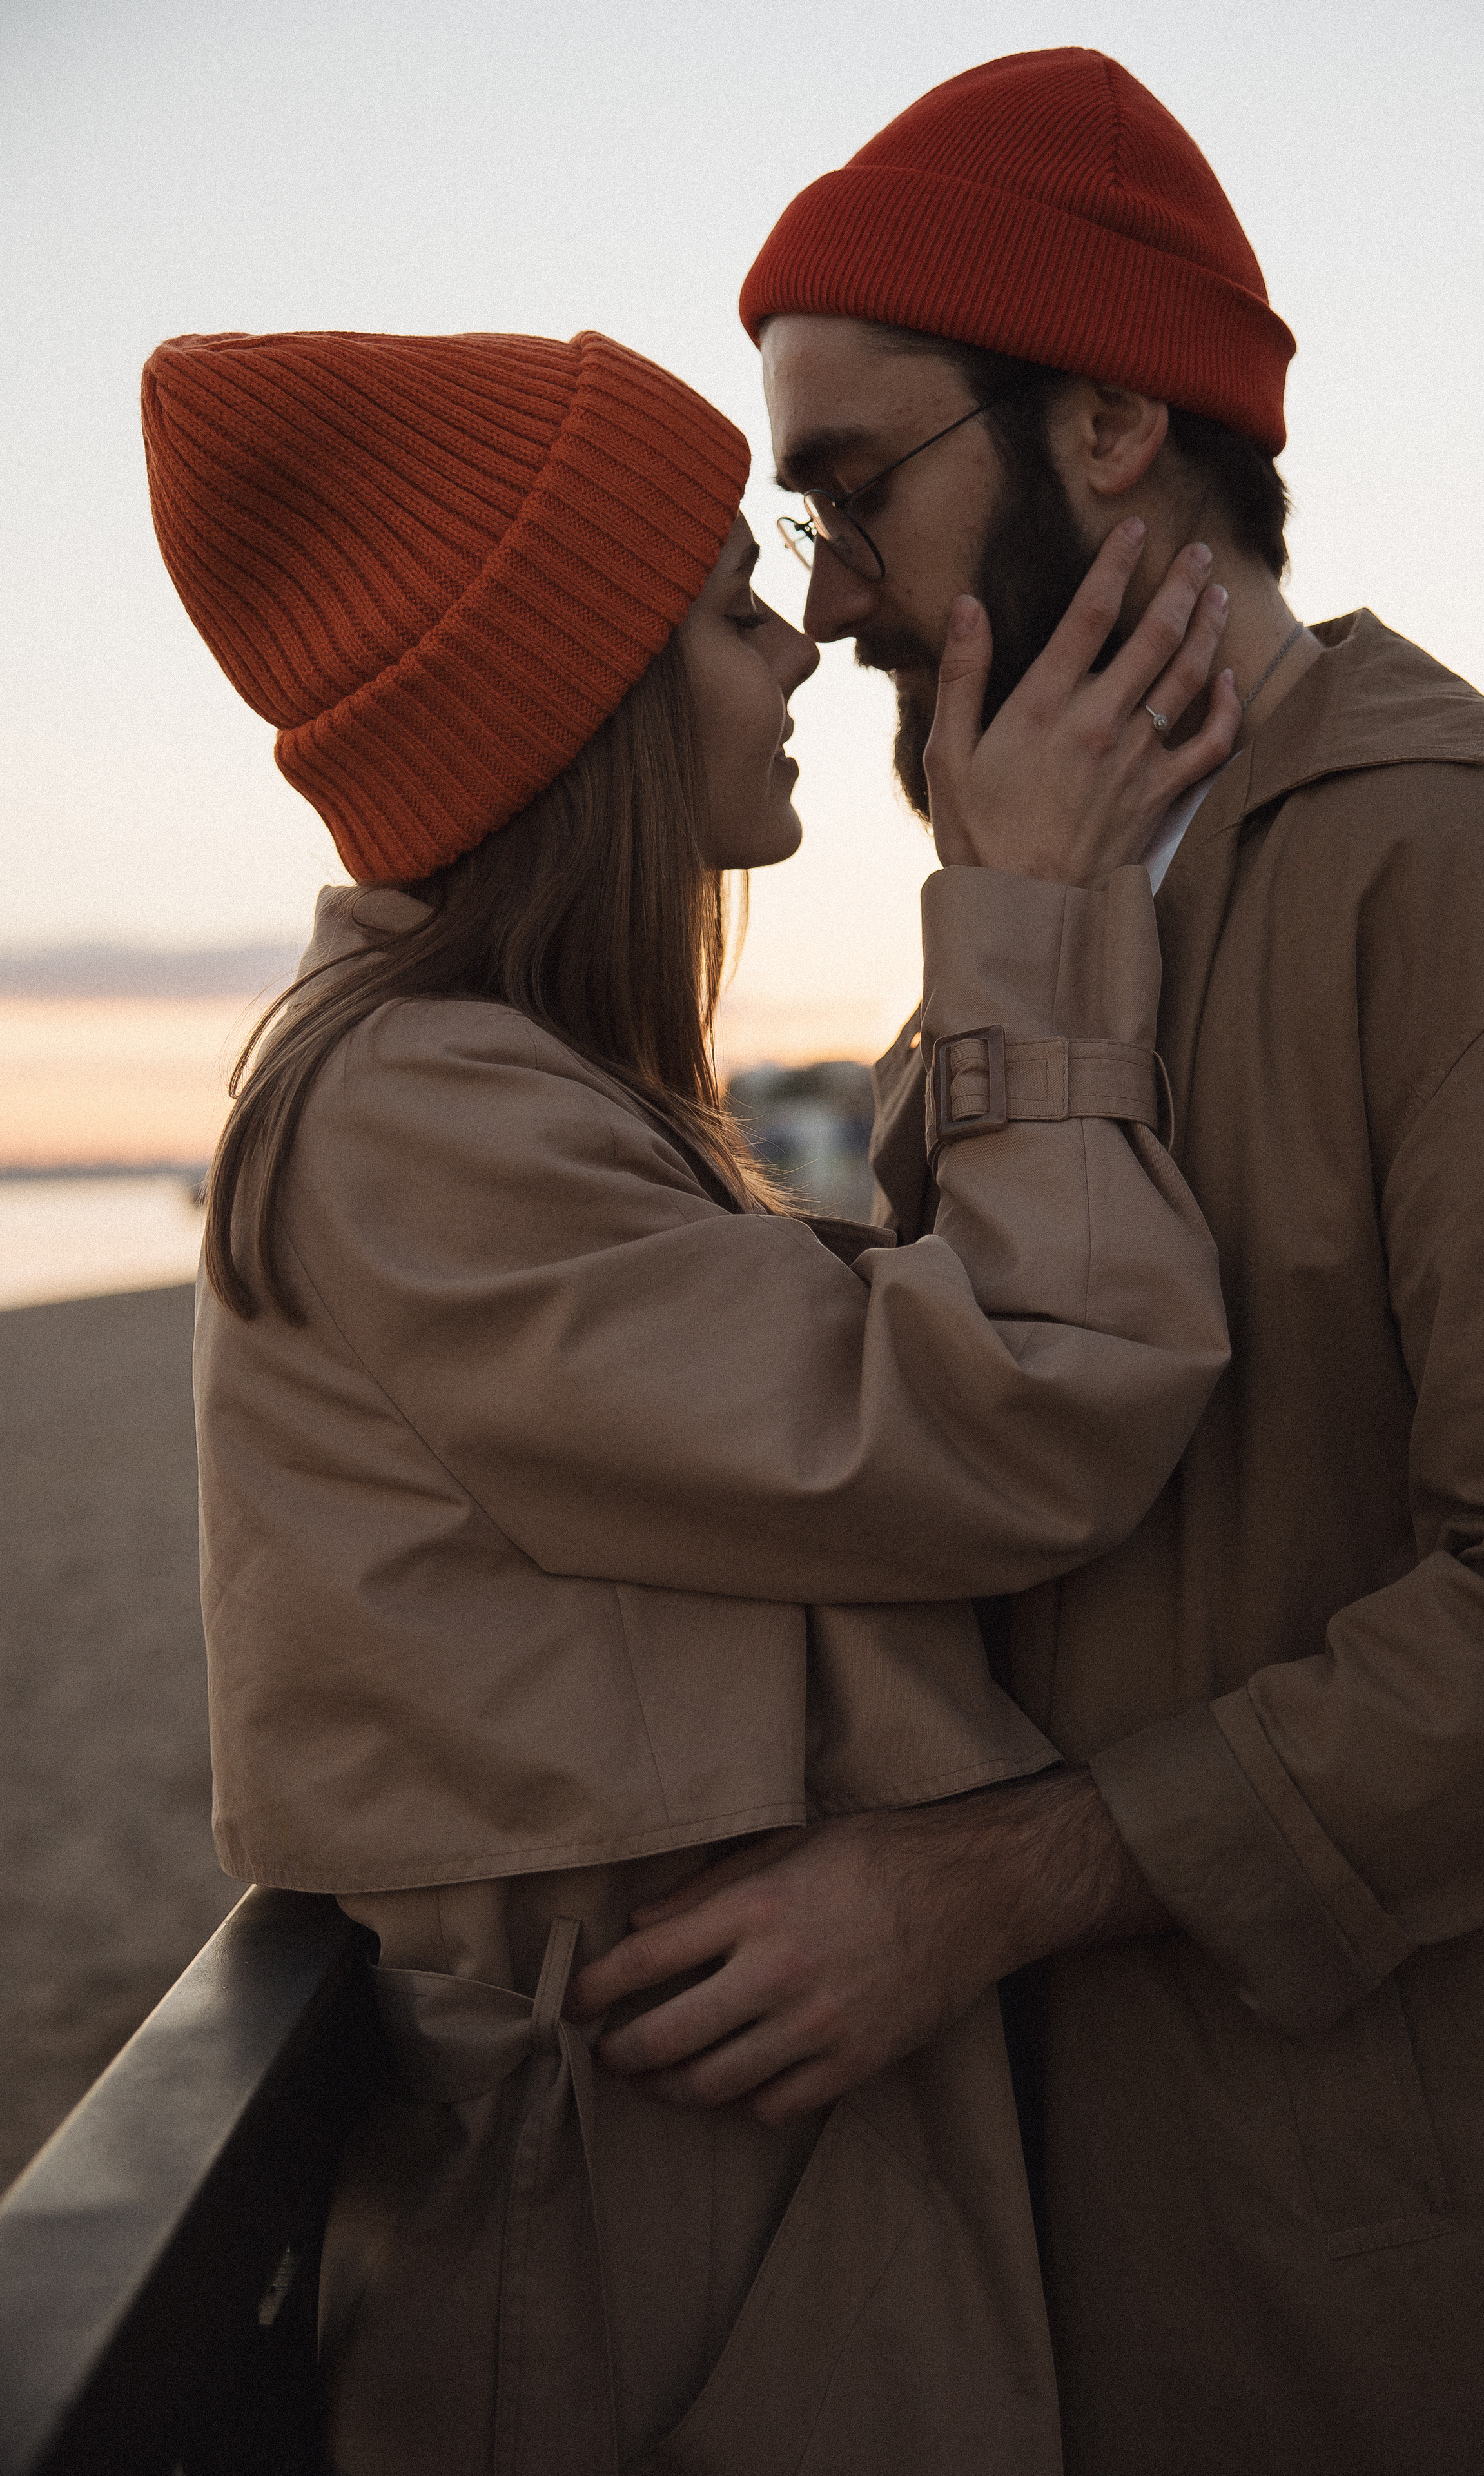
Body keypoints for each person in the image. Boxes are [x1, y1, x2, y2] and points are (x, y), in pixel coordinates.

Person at [576, 50, 1484, 2473]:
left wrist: (992, 1891)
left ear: (1103, 426)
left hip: (1377, 2286)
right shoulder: (1038, 906)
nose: (828, 593)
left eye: (854, 489)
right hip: (1034, 2244)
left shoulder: (1456, 868)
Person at [141, 324, 1236, 2473]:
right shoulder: (423, 1120)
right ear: (592, 706)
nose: (805, 644)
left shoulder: (491, 1091)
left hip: (695, 2190)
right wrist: (1023, 913)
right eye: (737, 607)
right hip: (644, 2253)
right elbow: (1033, 1400)